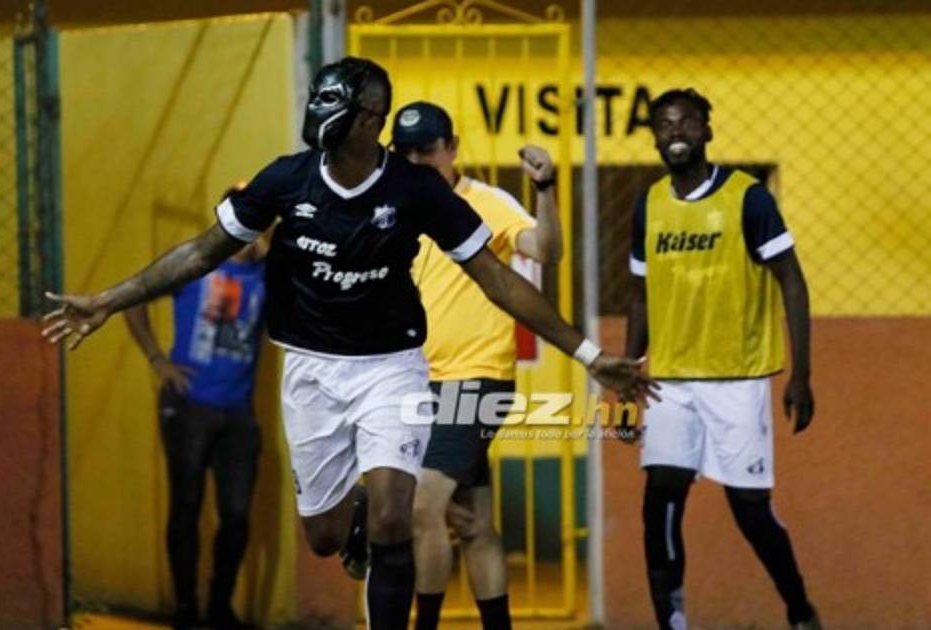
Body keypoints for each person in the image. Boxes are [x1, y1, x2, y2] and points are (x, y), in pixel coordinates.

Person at [43, 57, 654, 629]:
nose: (318, 109)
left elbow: (499, 280)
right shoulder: (286, 180)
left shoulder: (416, 191)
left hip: (392, 368)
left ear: (368, 119)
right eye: (318, 97)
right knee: (325, 537)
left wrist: (591, 356)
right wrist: (107, 300)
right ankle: (353, 515)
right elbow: (203, 251)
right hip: (311, 371)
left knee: (396, 517)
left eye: (331, 101)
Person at [624, 88, 820, 630]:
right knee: (660, 497)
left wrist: (801, 374)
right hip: (670, 380)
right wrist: (627, 373)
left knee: (750, 510)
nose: (676, 131)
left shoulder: (747, 198)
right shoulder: (649, 204)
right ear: (655, 137)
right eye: (665, 124)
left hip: (737, 378)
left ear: (707, 131)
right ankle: (672, 621)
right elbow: (639, 296)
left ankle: (799, 608)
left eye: (687, 121)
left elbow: (792, 281)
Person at [390, 101, 561, 630]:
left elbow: (546, 250)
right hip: (417, 383)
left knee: (423, 509)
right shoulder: (394, 208)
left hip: (476, 378)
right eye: (405, 152)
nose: (416, 162)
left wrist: (546, 189)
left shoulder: (486, 203)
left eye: (427, 150)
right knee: (472, 522)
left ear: (453, 148)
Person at [123, 211, 267, 630]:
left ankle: (220, 606)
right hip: (188, 404)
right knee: (186, 506)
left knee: (236, 515)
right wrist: (158, 360)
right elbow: (134, 298)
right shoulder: (197, 262)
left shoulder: (267, 273)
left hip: (238, 411)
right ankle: (186, 607)